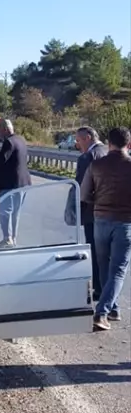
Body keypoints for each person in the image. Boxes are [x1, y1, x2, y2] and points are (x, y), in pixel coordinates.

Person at [80, 126, 131, 331]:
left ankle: (113, 309)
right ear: (128, 144)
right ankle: (101, 313)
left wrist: (99, 202)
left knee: (103, 265)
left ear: (109, 144)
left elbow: (84, 195)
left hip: (100, 220)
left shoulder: (96, 165)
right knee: (118, 270)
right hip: (125, 222)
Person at [74, 127, 107, 299]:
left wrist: (75, 208)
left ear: (88, 137)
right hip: (108, 211)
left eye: (78, 140)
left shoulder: (88, 157)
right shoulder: (107, 152)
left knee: (94, 250)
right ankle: (105, 289)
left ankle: (99, 288)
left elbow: (81, 187)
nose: (77, 144)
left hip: (91, 210)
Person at [0, 118, 32, 247]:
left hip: (10, 184)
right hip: (23, 183)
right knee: (15, 212)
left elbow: (1, 160)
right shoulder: (21, 140)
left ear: (5, 129)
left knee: (4, 211)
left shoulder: (9, 142)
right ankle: (13, 239)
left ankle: (7, 239)